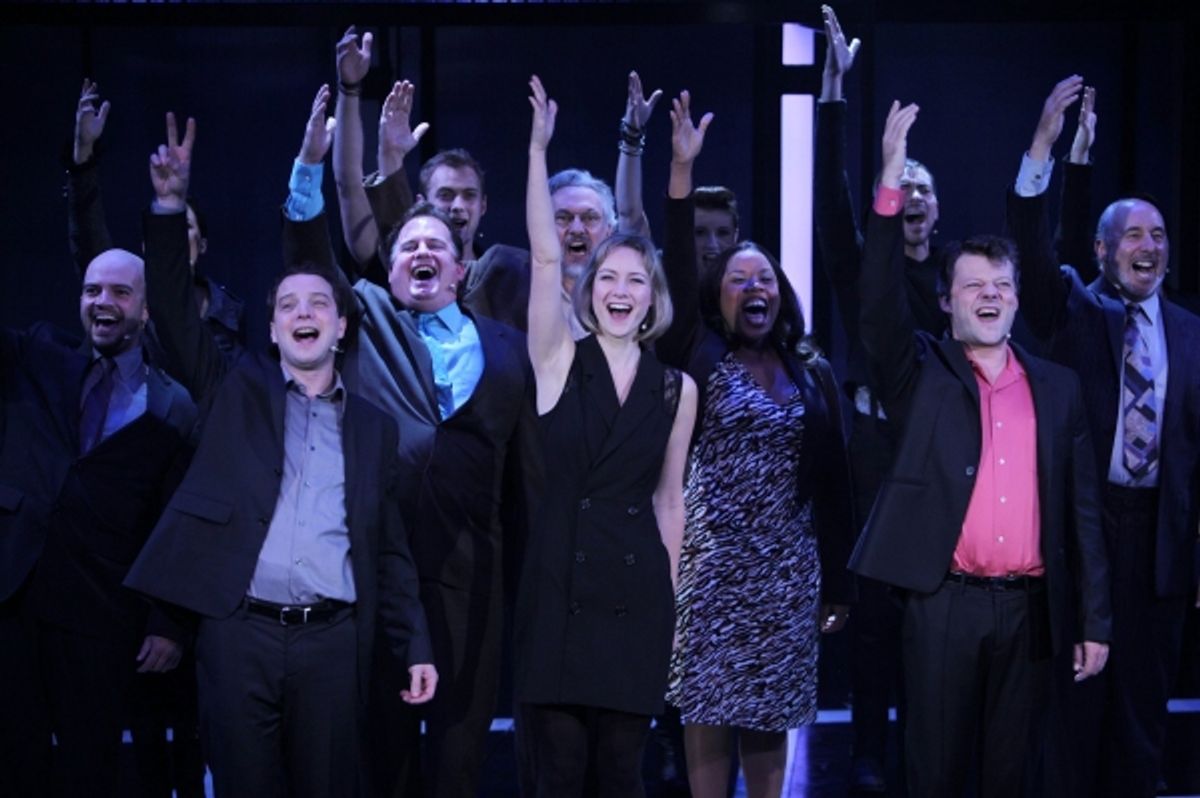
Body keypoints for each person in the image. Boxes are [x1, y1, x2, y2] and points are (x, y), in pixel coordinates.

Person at [124, 108, 435, 798]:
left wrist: (414, 644)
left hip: (332, 640)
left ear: (340, 325)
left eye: (318, 302)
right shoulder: (234, 390)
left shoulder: (373, 429)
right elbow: (173, 311)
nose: (303, 312)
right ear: (271, 325)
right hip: (241, 636)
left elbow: (389, 551)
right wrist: (169, 207)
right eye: (288, 303)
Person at [849, 99, 1111, 798]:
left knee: (1012, 777)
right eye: (974, 288)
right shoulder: (922, 375)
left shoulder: (1056, 388)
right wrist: (888, 181)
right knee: (934, 775)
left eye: (1002, 287)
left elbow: (1082, 514)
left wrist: (1094, 622)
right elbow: (876, 305)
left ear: (1018, 299)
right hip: (944, 603)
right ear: (947, 303)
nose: (990, 296)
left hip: (1029, 610)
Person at [283, 84, 538, 798]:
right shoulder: (363, 316)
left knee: (460, 753)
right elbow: (308, 251)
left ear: (461, 270)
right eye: (408, 246)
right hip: (376, 567)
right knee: (381, 749)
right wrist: (311, 165)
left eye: (438, 246)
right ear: (390, 272)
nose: (423, 252)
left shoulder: (508, 346)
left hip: (471, 569)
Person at [656, 90, 855, 798]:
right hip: (712, 575)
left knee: (771, 718)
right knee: (708, 711)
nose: (752, 286)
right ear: (720, 298)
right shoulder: (700, 354)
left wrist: (835, 583)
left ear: (782, 292)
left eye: (763, 276)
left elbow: (836, 485)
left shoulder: (813, 373)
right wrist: (681, 172)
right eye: (738, 279)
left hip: (788, 575)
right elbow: (679, 266)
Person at [1006, 75, 1200, 798]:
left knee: (1141, 723)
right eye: (1132, 236)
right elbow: (1031, 243)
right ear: (1103, 249)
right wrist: (1049, 150)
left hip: (1160, 546)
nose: (1147, 246)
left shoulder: (1191, 334)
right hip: (1085, 537)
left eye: (1158, 235)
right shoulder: (1079, 316)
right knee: (1073, 716)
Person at [516, 74, 696, 798]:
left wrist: (674, 614)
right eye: (608, 278)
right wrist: (536, 150)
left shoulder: (675, 388)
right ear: (589, 293)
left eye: (636, 280)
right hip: (557, 589)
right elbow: (544, 255)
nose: (620, 289)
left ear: (653, 297)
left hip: (637, 600)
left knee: (622, 776)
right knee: (558, 773)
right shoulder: (558, 359)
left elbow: (669, 506)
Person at [0, 244, 196, 797]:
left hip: (101, 610)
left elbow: (176, 521)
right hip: (13, 592)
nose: (102, 301)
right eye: (91, 290)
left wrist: (168, 621)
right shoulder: (38, 353)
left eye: (118, 291)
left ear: (145, 309)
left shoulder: (171, 404)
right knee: (15, 759)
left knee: (91, 765)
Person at [67, 78, 245, 374]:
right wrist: (83, 160)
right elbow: (89, 242)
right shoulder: (126, 293)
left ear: (202, 243)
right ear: (149, 244)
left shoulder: (227, 312)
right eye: (166, 232)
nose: (173, 240)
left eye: (183, 228)